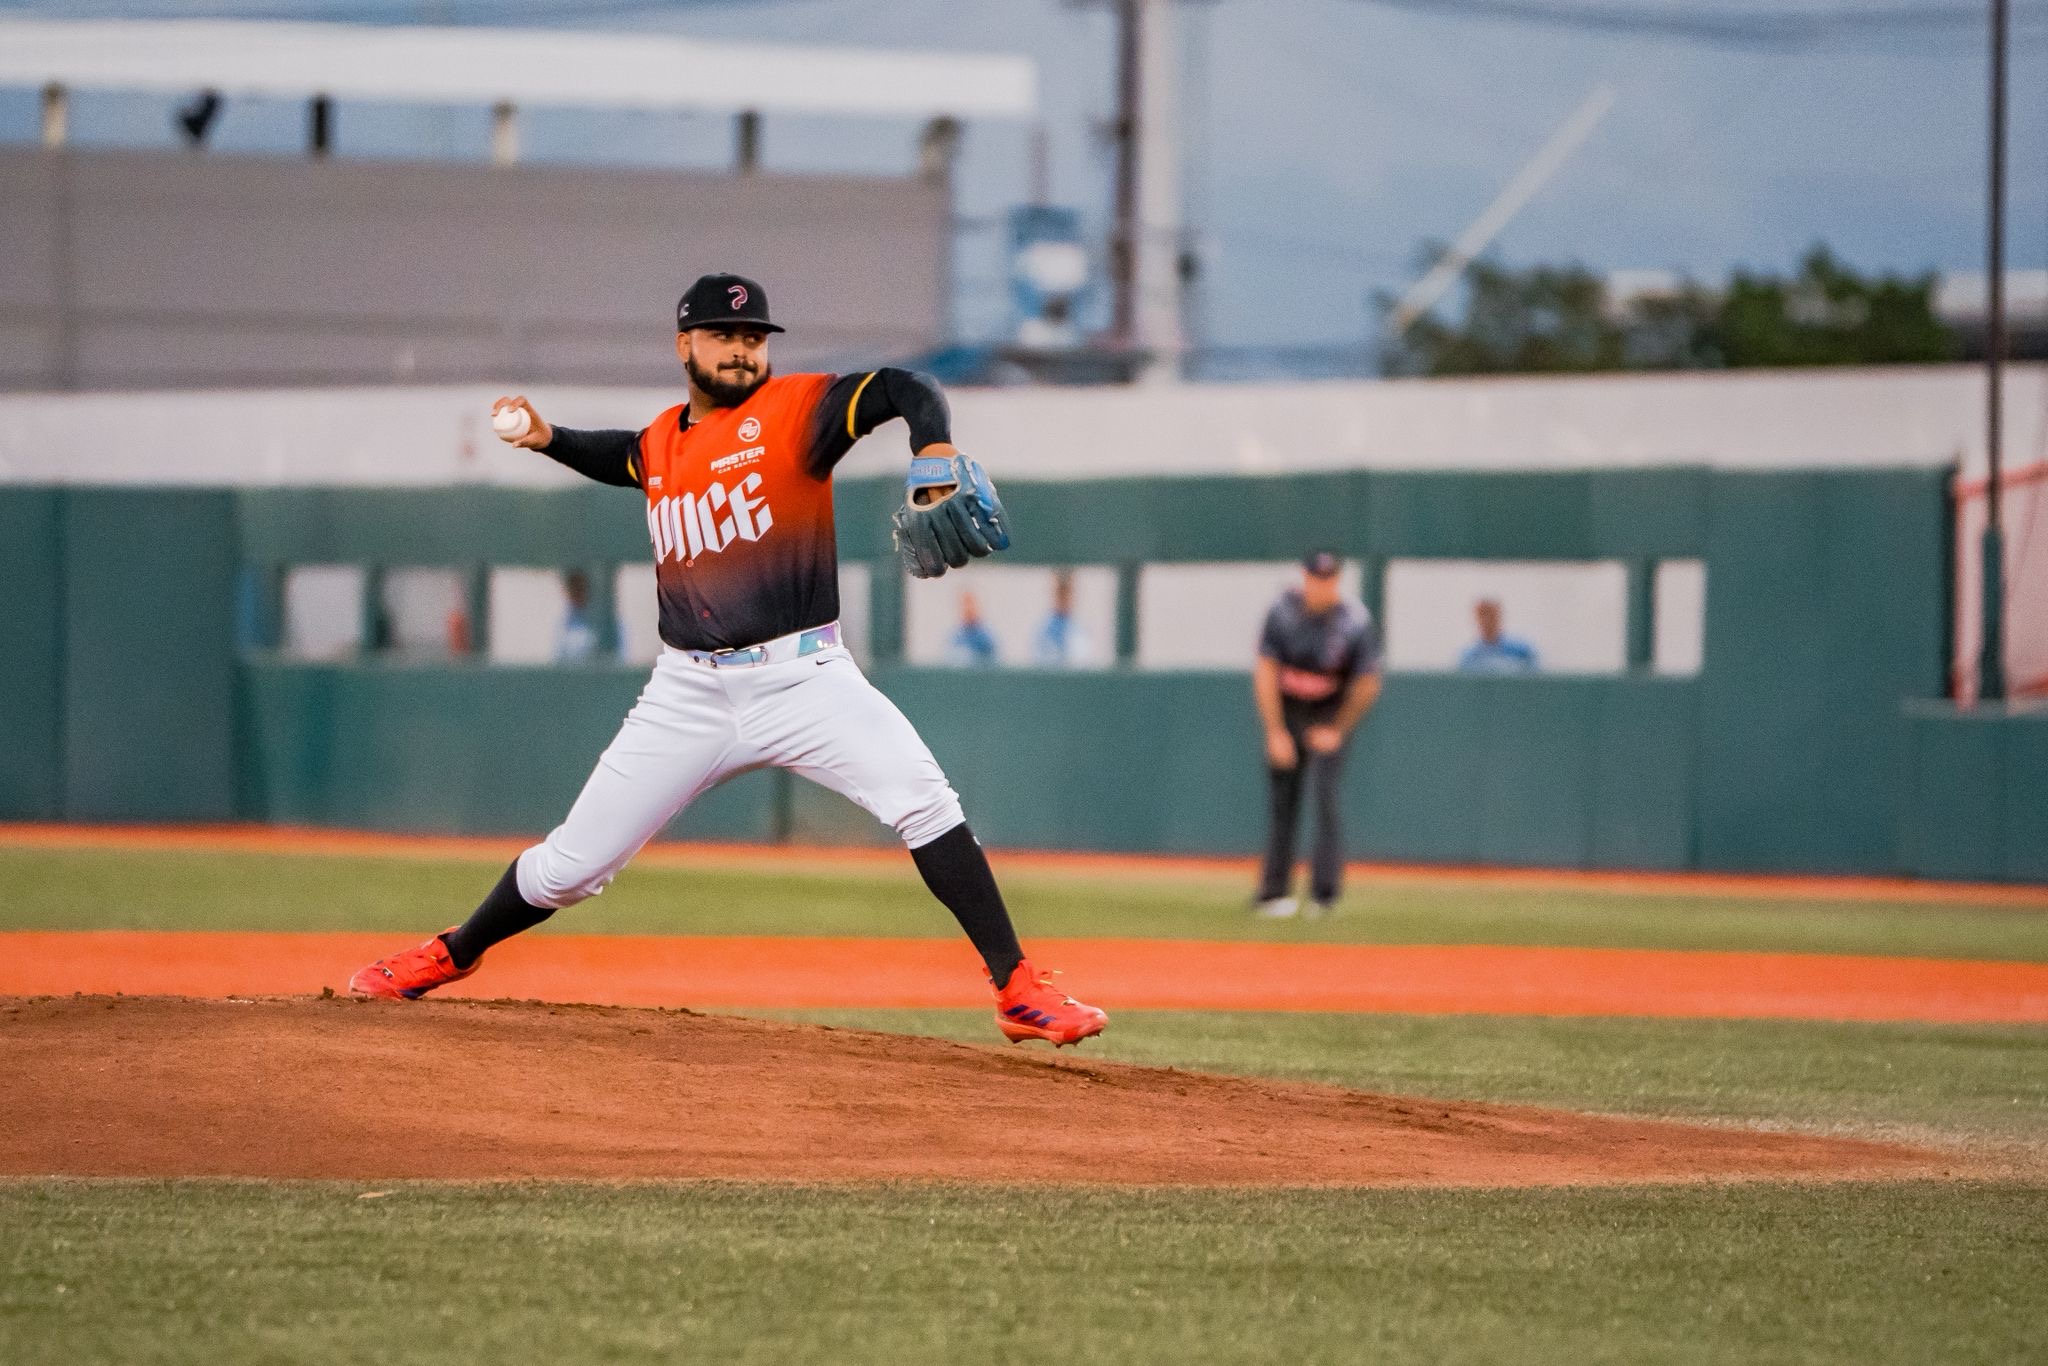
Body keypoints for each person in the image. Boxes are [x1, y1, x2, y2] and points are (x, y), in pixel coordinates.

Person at [348, 272, 1107, 1048]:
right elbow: (627, 459)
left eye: (754, 338)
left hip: (805, 678)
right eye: (724, 336)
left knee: (925, 800)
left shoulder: (797, 412)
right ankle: (451, 952)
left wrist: (933, 443)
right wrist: (550, 439)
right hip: (687, 693)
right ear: (685, 346)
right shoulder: (663, 441)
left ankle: (1015, 987)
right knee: (568, 869)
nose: (743, 351)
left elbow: (903, 388)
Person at [1252, 551, 1382, 918]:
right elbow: (1265, 671)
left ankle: (1324, 896)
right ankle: (1273, 893)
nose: (1320, 584)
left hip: (1329, 710)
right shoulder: (1281, 611)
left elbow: (1367, 683)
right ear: (1304, 577)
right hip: (1289, 707)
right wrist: (1275, 731)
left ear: (1337, 581)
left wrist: (1338, 729)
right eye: (1315, 577)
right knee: (1283, 800)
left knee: (1325, 797)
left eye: (1328, 578)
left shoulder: (1354, 621)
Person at [1458, 598, 1539, 674]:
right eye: (1482, 616)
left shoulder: (1521, 651)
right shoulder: (1469, 657)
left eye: (1491, 615)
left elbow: (1536, 678)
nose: (1486, 621)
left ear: (1498, 616)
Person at [1033, 569, 1094, 668]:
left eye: (1068, 591)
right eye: (1060, 591)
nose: (1065, 596)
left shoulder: (1080, 630)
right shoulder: (1043, 631)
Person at [946, 590, 1000, 667]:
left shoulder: (986, 637)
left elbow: (993, 662)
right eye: (964, 604)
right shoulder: (955, 636)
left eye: (970, 604)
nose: (968, 608)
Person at [555, 569, 598, 662]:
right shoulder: (561, 623)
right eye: (572, 589)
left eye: (580, 588)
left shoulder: (601, 622)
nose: (576, 593)